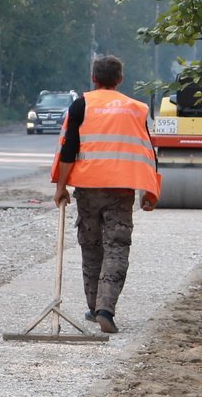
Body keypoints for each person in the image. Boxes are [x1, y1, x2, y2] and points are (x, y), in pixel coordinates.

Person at [52, 55, 160, 334]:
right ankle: (105, 309)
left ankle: (93, 306)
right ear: (120, 80)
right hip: (121, 190)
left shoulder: (81, 105)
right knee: (117, 247)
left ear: (94, 78)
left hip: (88, 190)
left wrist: (61, 187)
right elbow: (148, 152)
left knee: (91, 246)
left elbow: (68, 151)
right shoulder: (137, 109)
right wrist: (151, 192)